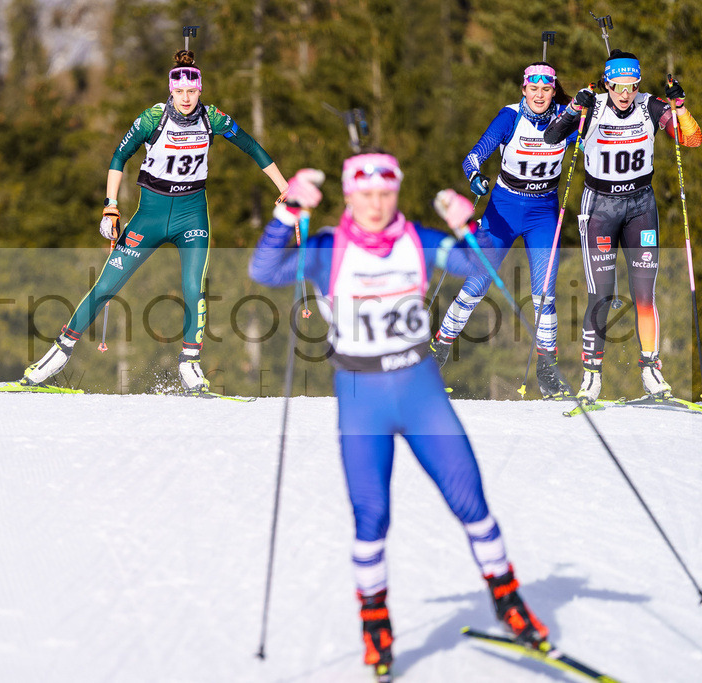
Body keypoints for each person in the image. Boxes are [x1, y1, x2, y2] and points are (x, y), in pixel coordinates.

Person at [249, 153, 548, 681]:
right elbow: (264, 269)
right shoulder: (325, 248)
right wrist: (287, 211)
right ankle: (376, 621)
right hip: (361, 395)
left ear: (397, 193)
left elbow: (479, 269)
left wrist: (470, 227)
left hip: (420, 390)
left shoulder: (418, 239)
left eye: (385, 194)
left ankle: (509, 601)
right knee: (372, 519)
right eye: (364, 195)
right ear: (347, 196)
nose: (375, 204)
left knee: (470, 500)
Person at [21, 50, 289, 392]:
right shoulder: (153, 119)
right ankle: (58, 353)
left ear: (200, 90)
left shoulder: (213, 119)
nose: (187, 98)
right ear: (171, 90)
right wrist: (110, 206)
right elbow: (119, 156)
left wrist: (284, 187)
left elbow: (252, 146)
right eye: (180, 92)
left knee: (195, 287)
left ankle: (190, 362)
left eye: (193, 92)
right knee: (106, 286)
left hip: (192, 214)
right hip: (150, 215)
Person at [544, 50, 700, 401]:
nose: (625, 94)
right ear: (607, 84)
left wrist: (680, 108)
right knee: (602, 295)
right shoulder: (594, 106)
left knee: (645, 295)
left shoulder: (650, 106)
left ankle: (650, 370)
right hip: (600, 207)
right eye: (618, 87)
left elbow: (690, 138)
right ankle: (591, 376)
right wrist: (573, 109)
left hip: (640, 206)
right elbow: (552, 138)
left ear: (638, 84)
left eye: (631, 86)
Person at [431, 62, 579, 399]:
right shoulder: (509, 116)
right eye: (533, 89)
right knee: (476, 284)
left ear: (553, 90)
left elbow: (593, 145)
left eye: (546, 89)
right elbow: (474, 155)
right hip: (504, 209)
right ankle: (436, 353)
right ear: (524, 89)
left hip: (543, 212)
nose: (539, 95)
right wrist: (475, 177)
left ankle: (548, 372)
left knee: (545, 294)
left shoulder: (567, 119)